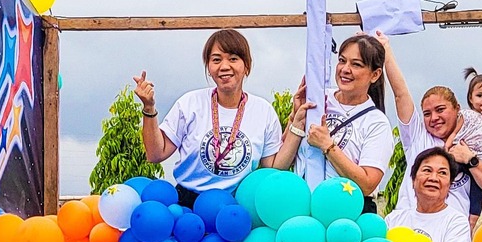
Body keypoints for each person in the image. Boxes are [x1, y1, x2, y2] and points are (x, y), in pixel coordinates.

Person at [380, 33, 482, 226]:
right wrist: (385, 49)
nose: (434, 118)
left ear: (457, 109)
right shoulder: (418, 136)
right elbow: (400, 93)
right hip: (409, 229)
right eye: (427, 113)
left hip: (452, 232)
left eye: (440, 110)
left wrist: (470, 159)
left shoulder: (478, 140)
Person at [131, 28, 283, 199]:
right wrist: (149, 107)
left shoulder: (263, 111)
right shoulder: (190, 103)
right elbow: (156, 154)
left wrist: (296, 126)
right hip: (188, 204)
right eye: (216, 60)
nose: (224, 66)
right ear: (209, 68)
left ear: (246, 66)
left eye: (233, 59)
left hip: (237, 206)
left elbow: (273, 167)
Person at [270, 32, 396, 205]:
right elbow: (280, 166)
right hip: (301, 206)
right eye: (342, 60)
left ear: (375, 75)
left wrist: (327, 145)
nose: (345, 69)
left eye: (356, 64)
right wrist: (296, 119)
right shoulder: (318, 99)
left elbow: (367, 184)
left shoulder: (376, 123)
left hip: (344, 211)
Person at [385, 148, 473, 242]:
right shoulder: (393, 220)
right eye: (427, 170)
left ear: (450, 184)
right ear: (413, 180)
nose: (433, 178)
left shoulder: (457, 223)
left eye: (442, 173)